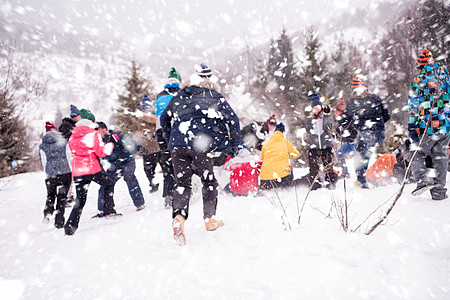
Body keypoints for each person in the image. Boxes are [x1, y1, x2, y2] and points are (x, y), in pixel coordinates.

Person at [160, 63, 241, 246]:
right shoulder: (215, 96)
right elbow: (233, 121)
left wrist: (169, 139)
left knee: (182, 184)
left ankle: (179, 217)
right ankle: (210, 219)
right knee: (209, 181)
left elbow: (164, 118)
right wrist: (235, 146)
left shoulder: (181, 95)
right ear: (210, 80)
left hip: (178, 144)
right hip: (201, 144)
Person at [64, 109, 121, 236]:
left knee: (80, 200)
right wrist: (112, 142)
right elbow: (101, 152)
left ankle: (70, 227)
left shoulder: (73, 135)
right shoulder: (92, 134)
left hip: (78, 171)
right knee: (108, 184)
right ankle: (108, 210)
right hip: (91, 169)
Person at [408, 49, 450, 200]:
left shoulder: (419, 81)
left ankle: (422, 180)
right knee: (440, 157)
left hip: (428, 125)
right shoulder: (444, 76)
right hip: (445, 125)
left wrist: (412, 127)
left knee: (415, 152)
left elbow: (413, 106)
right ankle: (439, 192)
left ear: (420, 66)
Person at [344, 76, 391, 189]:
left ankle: (362, 182)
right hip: (380, 133)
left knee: (361, 156)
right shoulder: (376, 98)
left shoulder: (353, 101)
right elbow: (387, 116)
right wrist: (378, 124)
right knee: (369, 154)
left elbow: (348, 119)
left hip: (366, 132)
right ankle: (378, 178)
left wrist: (348, 130)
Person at [96, 122, 147, 216]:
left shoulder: (114, 136)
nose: (101, 131)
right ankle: (102, 209)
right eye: (98, 129)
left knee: (128, 175)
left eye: (103, 129)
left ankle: (139, 203)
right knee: (105, 183)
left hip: (127, 161)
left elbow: (127, 140)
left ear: (106, 129)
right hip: (113, 165)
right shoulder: (97, 141)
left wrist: (138, 147)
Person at [154, 68, 182, 207]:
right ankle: (181, 192)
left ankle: (168, 196)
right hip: (175, 131)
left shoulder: (159, 95)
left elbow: (158, 114)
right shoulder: (180, 94)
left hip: (160, 132)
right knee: (180, 161)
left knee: (167, 163)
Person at [299, 92, 338, 190]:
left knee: (328, 165)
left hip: (326, 145)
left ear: (321, 107)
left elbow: (328, 127)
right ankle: (315, 184)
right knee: (313, 167)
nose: (316, 110)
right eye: (314, 108)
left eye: (318, 107)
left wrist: (327, 115)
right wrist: (308, 119)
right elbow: (308, 130)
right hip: (313, 146)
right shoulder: (310, 118)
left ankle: (331, 184)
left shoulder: (324, 116)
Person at [39, 121, 72, 228]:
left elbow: (43, 161)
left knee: (50, 195)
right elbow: (69, 157)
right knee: (62, 198)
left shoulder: (42, 146)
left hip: (50, 175)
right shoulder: (63, 142)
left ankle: (48, 212)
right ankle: (59, 222)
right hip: (65, 173)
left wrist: (49, 171)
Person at [259, 122, 300, 189]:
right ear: (283, 133)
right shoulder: (285, 142)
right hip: (281, 178)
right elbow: (296, 154)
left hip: (265, 179)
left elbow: (263, 157)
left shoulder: (266, 144)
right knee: (289, 171)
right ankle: (288, 189)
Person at [135, 94, 161, 193]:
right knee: (166, 167)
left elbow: (140, 133)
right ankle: (168, 187)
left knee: (148, 170)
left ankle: (153, 184)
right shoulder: (157, 116)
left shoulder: (141, 118)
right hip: (159, 146)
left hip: (148, 149)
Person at [58, 104, 81, 205]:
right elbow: (68, 140)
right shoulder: (67, 126)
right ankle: (66, 197)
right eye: (79, 116)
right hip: (66, 154)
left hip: (67, 154)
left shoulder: (69, 125)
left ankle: (68, 196)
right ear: (75, 116)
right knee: (68, 176)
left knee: (69, 176)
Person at [334, 97, 357, 177]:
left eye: (336, 110)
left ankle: (361, 176)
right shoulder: (341, 119)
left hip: (356, 143)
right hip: (349, 143)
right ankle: (345, 172)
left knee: (359, 160)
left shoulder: (347, 118)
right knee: (338, 152)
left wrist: (337, 133)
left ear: (340, 111)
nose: (335, 112)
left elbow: (345, 129)